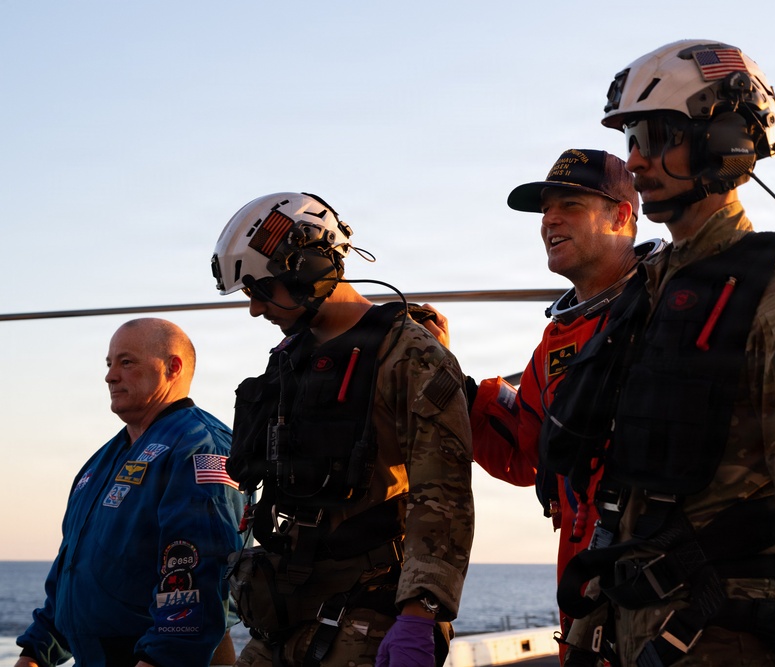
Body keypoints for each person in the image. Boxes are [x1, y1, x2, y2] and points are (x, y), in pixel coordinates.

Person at [544, 40, 775, 665]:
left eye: (657, 135)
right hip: (631, 628)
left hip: (721, 631)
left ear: (722, 140)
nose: (635, 160)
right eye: (631, 138)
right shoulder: (648, 291)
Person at [210, 192, 474, 667]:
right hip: (284, 607)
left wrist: (420, 614)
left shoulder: (410, 355)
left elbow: (444, 495)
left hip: (364, 611)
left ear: (307, 268)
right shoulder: (291, 357)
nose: (254, 309)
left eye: (262, 290)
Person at [423, 148, 654, 646]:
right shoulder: (556, 344)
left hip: (662, 592)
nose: (549, 220)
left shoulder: (672, 311)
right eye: (545, 210)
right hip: (586, 597)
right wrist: (448, 375)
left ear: (621, 215)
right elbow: (525, 455)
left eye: (570, 205)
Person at [16, 318, 243, 667]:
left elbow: (200, 575)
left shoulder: (199, 446)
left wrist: (161, 658)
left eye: (126, 362)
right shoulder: (100, 464)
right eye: (109, 364)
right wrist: (36, 651)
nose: (110, 376)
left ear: (172, 367)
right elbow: (71, 571)